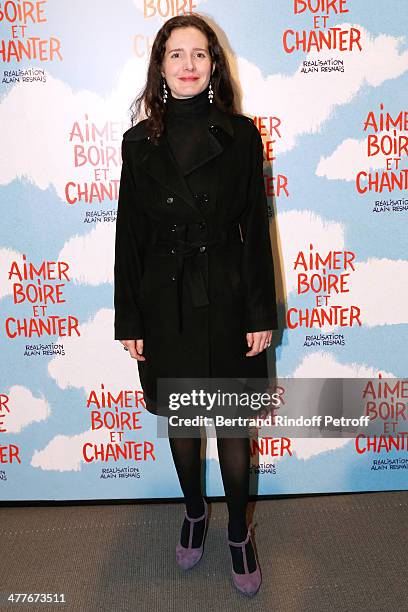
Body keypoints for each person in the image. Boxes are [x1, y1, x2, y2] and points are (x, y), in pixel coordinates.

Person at [114, 13, 278, 597]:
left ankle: (238, 531)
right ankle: (194, 510)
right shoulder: (137, 145)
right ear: (160, 66)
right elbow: (128, 236)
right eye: (177, 54)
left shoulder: (241, 134)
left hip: (229, 296)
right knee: (184, 422)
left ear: (214, 65)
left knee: (232, 423)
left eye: (199, 54)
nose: (189, 64)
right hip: (167, 301)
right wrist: (130, 319)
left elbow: (256, 230)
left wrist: (262, 313)